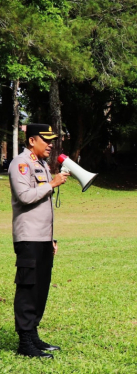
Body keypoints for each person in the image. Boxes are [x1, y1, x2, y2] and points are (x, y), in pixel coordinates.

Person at [9, 123, 68, 358]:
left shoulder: (41, 164)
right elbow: (24, 196)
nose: (51, 144)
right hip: (28, 237)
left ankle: (33, 335)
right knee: (28, 288)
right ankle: (24, 342)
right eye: (46, 139)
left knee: (41, 288)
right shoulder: (21, 163)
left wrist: (50, 239)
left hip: (42, 238)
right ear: (32, 140)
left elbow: (43, 206)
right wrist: (52, 184)